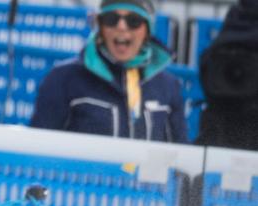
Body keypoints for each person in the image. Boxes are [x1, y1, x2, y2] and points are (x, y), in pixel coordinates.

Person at [30, 0, 187, 142]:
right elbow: (39, 146)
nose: (121, 26)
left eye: (134, 20)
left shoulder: (168, 86)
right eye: (111, 19)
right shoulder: (64, 78)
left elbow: (179, 153)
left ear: (147, 30)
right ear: (100, 28)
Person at [195, 0, 258, 150]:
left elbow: (207, 72)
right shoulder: (235, 21)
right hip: (225, 124)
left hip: (219, 129)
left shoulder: (234, 20)